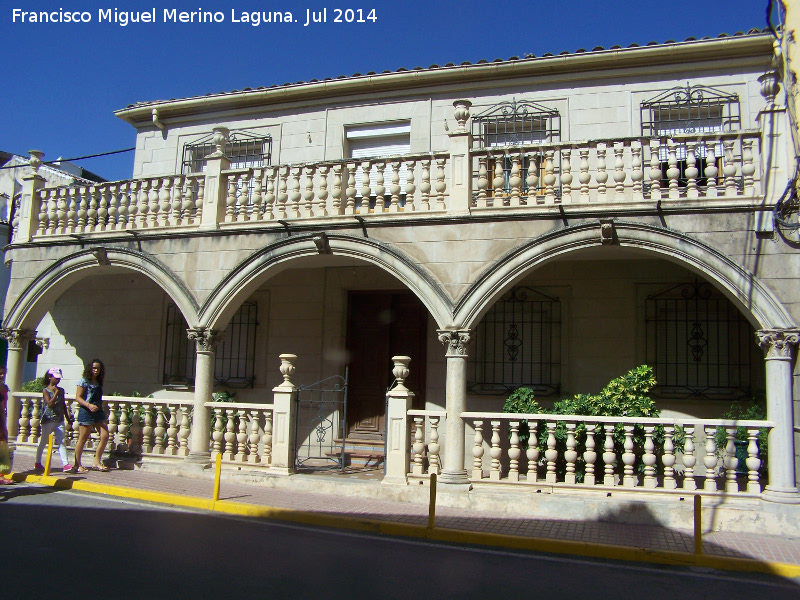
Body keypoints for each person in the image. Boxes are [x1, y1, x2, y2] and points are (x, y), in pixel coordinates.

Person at [73, 359, 110, 473]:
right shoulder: (83, 381)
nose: (96, 370)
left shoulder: (98, 382)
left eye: (98, 368)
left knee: (105, 435)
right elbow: (78, 397)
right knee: (83, 438)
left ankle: (97, 461)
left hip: (98, 412)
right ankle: (77, 464)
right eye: (94, 368)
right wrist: (88, 405)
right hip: (86, 411)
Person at [34, 368, 73, 472]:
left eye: (59, 378)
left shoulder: (61, 391)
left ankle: (65, 464)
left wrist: (67, 418)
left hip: (59, 419)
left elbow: (63, 404)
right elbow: (49, 404)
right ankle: (37, 462)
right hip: (48, 419)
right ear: (50, 377)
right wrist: (55, 393)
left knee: (61, 441)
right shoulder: (45, 390)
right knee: (43, 441)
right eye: (55, 378)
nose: (57, 381)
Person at [0, 365, 13, 485]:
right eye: (0, 373)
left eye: (3, 373)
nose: (2, 376)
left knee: (2, 447)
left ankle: (1, 475)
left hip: (1, 417)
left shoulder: (4, 387)